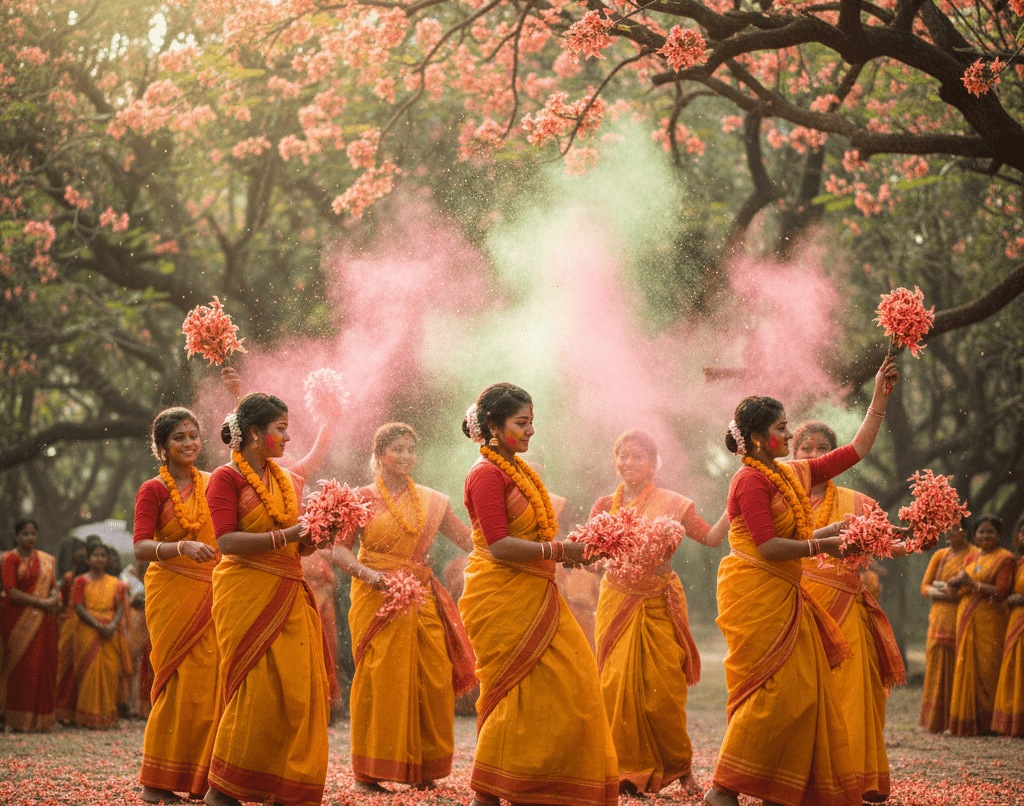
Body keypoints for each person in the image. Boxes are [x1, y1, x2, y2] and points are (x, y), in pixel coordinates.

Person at [704, 356, 899, 806]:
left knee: (802, 692)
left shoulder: (791, 472)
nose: (790, 437)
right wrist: (824, 545)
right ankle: (724, 788)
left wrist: (879, 399)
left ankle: (780, 786)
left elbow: (855, 451)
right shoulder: (749, 481)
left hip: (786, 592)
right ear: (757, 438)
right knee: (771, 691)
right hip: (754, 591)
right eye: (782, 428)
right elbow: (769, 546)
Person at [460, 383, 617, 806]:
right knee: (512, 689)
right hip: (501, 593)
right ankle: (490, 792)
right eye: (521, 423)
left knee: (572, 685)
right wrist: (562, 550)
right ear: (493, 426)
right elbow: (499, 544)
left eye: (532, 422)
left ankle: (543, 784)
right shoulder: (485, 474)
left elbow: (536, 534)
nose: (531, 431)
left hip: (539, 591)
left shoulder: (520, 470)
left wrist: (578, 553)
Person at [331, 422, 474, 793]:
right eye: (398, 448)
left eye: (412, 448)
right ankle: (368, 773)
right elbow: (339, 549)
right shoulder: (359, 499)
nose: (407, 455)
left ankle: (423, 768)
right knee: (381, 677)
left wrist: (503, 524)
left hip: (420, 596)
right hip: (374, 594)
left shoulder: (431, 500)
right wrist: (368, 575)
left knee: (431, 675)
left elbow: (468, 539)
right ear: (379, 455)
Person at [204, 392, 330, 806]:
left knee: (299, 692)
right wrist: (286, 536)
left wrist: (316, 537)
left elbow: (298, 546)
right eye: (280, 430)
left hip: (289, 593)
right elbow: (226, 541)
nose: (288, 438)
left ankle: (284, 786)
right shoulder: (226, 478)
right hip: (246, 592)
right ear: (255, 434)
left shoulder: (284, 479)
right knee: (255, 691)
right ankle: (225, 789)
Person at [589, 430, 727, 796]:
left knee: (662, 693)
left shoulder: (674, 504)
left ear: (654, 463)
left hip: (657, 605)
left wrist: (736, 504)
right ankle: (623, 772)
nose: (629, 463)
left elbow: (712, 538)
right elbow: (590, 560)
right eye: (623, 456)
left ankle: (681, 771)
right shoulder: (604, 506)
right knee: (614, 686)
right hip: (615, 602)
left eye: (638, 456)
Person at [790, 421, 905, 802]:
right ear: (792, 455)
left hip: (847, 612)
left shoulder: (860, 504)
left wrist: (919, 534)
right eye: (805, 448)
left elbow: (890, 545)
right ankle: (795, 779)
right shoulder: (779, 500)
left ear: (837, 457)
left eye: (823, 447)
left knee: (851, 699)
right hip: (793, 611)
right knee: (797, 698)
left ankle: (853, 779)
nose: (813, 454)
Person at [133, 407, 221, 803]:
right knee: (175, 682)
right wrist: (181, 547)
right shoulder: (153, 489)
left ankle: (202, 778)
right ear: (162, 446)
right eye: (179, 437)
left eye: (193, 435)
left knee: (210, 685)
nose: (189, 443)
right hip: (171, 591)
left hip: (214, 593)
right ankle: (156, 782)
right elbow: (139, 547)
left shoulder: (214, 483)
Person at [947, 515, 1015, 735]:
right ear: (974, 535)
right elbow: (959, 583)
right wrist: (955, 583)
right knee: (966, 665)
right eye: (981, 532)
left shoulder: (1005, 558)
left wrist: (973, 584)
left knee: (988, 669)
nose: (986, 536)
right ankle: (968, 721)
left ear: (999, 535)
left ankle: (989, 724)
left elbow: (1002, 592)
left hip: (991, 620)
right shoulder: (972, 558)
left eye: (990, 531)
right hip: (966, 616)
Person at [1, 519, 61, 731]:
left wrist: (53, 598)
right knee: (21, 668)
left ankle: (39, 720)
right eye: (25, 534)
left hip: (43, 621)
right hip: (17, 621)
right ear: (16, 536)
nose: (29, 538)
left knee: (41, 666)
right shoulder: (11, 559)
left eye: (33, 533)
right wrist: (41, 602)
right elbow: (11, 591)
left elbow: (53, 586)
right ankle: (16, 720)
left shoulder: (45, 560)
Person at [70, 543, 132, 728]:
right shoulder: (80, 581)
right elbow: (78, 607)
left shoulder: (115, 583)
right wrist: (98, 625)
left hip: (111, 631)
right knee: (89, 674)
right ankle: (88, 718)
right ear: (88, 559)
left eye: (103, 555)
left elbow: (120, 606)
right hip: (88, 631)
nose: (99, 559)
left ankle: (108, 717)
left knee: (111, 671)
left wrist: (112, 625)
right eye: (95, 555)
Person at [919, 519, 971, 732]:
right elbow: (924, 586)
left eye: (956, 528)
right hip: (938, 616)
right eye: (947, 528)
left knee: (959, 664)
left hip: (961, 615)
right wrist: (940, 591)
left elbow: (972, 583)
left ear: (966, 531)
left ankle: (956, 719)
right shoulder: (940, 556)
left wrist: (955, 594)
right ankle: (934, 721)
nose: (950, 533)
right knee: (935, 665)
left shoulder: (973, 555)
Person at [993, 515, 1024, 736]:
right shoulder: (1015, 563)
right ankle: (1013, 722)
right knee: (1015, 666)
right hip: (1014, 619)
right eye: (1023, 532)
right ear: (1017, 537)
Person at [54, 537, 89, 723]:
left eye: (84, 550)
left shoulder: (91, 578)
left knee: (83, 667)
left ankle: (81, 711)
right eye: (78, 551)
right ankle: (62, 711)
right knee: (65, 667)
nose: (81, 554)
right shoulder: (69, 578)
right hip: (69, 624)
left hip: (87, 625)